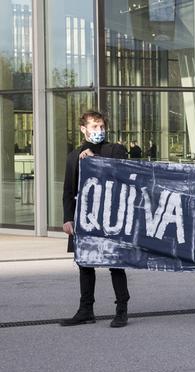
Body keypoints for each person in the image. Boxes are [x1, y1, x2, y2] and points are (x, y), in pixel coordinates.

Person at [59, 110, 131, 328]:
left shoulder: (114, 150)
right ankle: (86, 310)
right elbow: (68, 190)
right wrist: (67, 218)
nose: (99, 131)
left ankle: (121, 310)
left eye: (101, 127)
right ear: (84, 129)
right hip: (84, 217)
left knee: (115, 263)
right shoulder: (74, 156)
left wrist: (96, 161)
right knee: (85, 264)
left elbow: (123, 173)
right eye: (94, 127)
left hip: (110, 216)